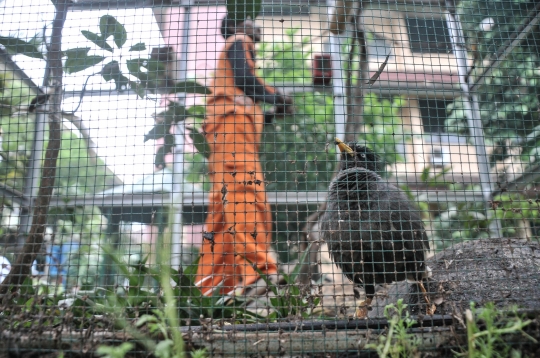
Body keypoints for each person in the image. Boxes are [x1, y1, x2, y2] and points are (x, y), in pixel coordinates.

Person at [194, 15, 293, 296]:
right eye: (251, 20)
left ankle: (212, 289)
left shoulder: (230, 74)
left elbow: (245, 89)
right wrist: (278, 97)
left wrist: (272, 110)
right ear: (238, 26)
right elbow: (246, 79)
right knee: (245, 194)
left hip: (228, 136)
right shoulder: (239, 41)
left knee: (224, 212)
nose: (256, 25)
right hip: (232, 135)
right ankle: (257, 272)